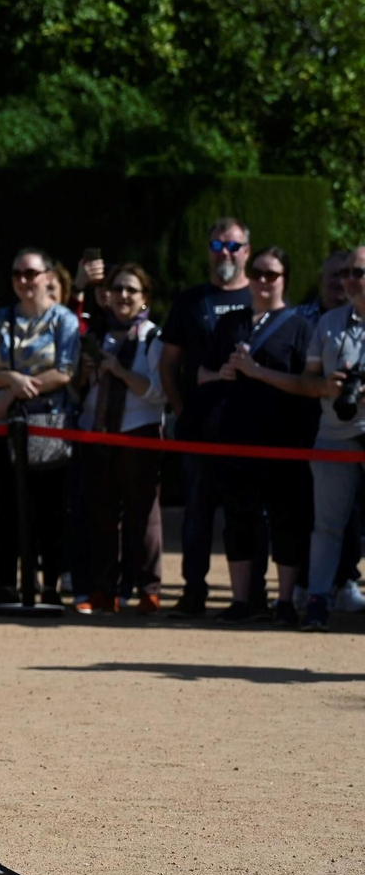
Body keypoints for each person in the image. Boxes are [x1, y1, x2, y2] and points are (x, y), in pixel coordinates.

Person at [197, 247, 316, 624]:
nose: (264, 281)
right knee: (237, 518)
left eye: (273, 275)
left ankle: (284, 602)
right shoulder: (230, 324)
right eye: (260, 273)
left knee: (287, 519)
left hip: (285, 439)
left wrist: (258, 372)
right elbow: (200, 373)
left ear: (285, 279)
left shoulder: (300, 326)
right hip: (235, 436)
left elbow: (309, 385)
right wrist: (224, 374)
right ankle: (243, 600)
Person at [160, 218, 254, 617]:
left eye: (233, 246)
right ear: (208, 252)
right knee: (195, 514)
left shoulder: (258, 297)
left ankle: (250, 599)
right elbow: (168, 364)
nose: (225, 254)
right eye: (217, 246)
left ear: (246, 250)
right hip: (198, 426)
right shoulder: (190, 302)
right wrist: (181, 410)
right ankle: (192, 592)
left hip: (248, 430)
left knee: (246, 514)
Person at [0, 248, 81, 607]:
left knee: (49, 508)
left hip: (49, 422)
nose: (24, 281)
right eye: (17, 274)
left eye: (31, 273)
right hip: (6, 424)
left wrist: (18, 389)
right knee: (7, 506)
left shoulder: (63, 320)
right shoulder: (2, 318)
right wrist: (11, 382)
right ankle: (6, 583)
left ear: (46, 276)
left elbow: (65, 371)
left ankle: (51, 584)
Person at [73, 264, 167, 614]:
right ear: (106, 295)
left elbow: (158, 393)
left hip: (138, 430)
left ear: (144, 299)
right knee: (101, 512)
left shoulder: (152, 336)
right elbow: (79, 390)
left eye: (131, 291)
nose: (123, 296)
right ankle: (104, 590)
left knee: (143, 514)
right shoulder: (94, 334)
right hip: (97, 429)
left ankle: (149, 590)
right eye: (117, 290)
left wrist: (119, 371)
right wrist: (83, 374)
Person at [299, 246, 365, 631]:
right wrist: (324, 385)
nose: (349, 280)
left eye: (358, 272)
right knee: (326, 525)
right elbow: (306, 380)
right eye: (345, 273)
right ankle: (318, 601)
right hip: (334, 434)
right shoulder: (327, 323)